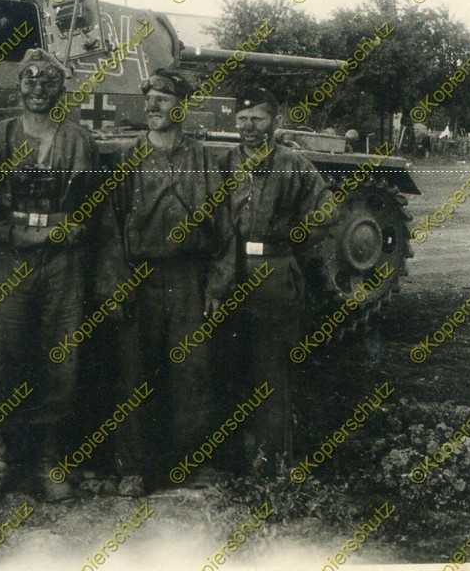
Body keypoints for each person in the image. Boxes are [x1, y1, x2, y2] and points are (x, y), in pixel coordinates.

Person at [0, 48, 99, 501]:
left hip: (63, 261)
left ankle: (51, 461)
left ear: (61, 89)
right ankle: (0, 461)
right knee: (3, 357)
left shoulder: (78, 140)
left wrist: (77, 227)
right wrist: (11, 233)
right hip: (12, 257)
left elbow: (93, 207)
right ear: (18, 85)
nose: (38, 88)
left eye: (48, 81)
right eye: (30, 80)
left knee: (61, 358)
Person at [101, 68, 234, 495]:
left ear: (183, 105)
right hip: (139, 279)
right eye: (150, 98)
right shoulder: (129, 159)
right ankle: (132, 468)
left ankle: (189, 462)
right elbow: (110, 229)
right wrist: (116, 284)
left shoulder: (204, 160)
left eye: (164, 97)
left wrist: (217, 285)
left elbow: (225, 231)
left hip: (189, 278)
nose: (154, 105)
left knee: (191, 372)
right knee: (133, 372)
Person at [217, 87, 333, 477]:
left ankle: (273, 462)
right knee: (227, 366)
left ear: (274, 122)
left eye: (258, 119)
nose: (249, 127)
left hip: (274, 270)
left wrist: (292, 241)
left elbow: (326, 213)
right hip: (229, 272)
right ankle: (229, 460)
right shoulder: (223, 163)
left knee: (271, 371)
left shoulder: (294, 165)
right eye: (243, 119)